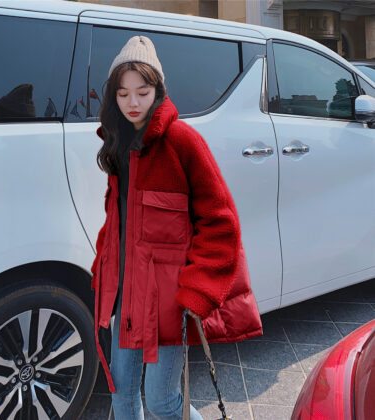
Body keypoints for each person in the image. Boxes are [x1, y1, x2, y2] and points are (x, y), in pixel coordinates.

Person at [91, 35, 262, 420]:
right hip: (124, 296)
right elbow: (117, 221)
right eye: (123, 94)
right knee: (121, 397)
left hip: (165, 300)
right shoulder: (118, 144)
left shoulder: (182, 141)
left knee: (164, 402)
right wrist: (103, 274)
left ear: (158, 91)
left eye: (142, 92)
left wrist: (197, 290)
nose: (133, 103)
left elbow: (220, 221)